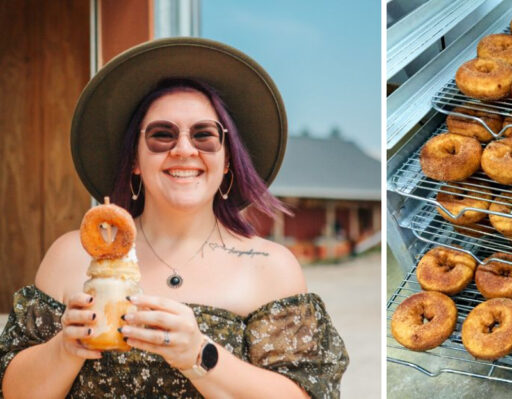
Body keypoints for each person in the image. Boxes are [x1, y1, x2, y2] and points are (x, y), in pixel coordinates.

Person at [0, 38, 348, 398]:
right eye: (161, 135)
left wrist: (200, 354)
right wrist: (64, 348)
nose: (184, 149)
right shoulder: (72, 255)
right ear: (135, 159)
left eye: (205, 136)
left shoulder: (270, 267)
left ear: (227, 160)